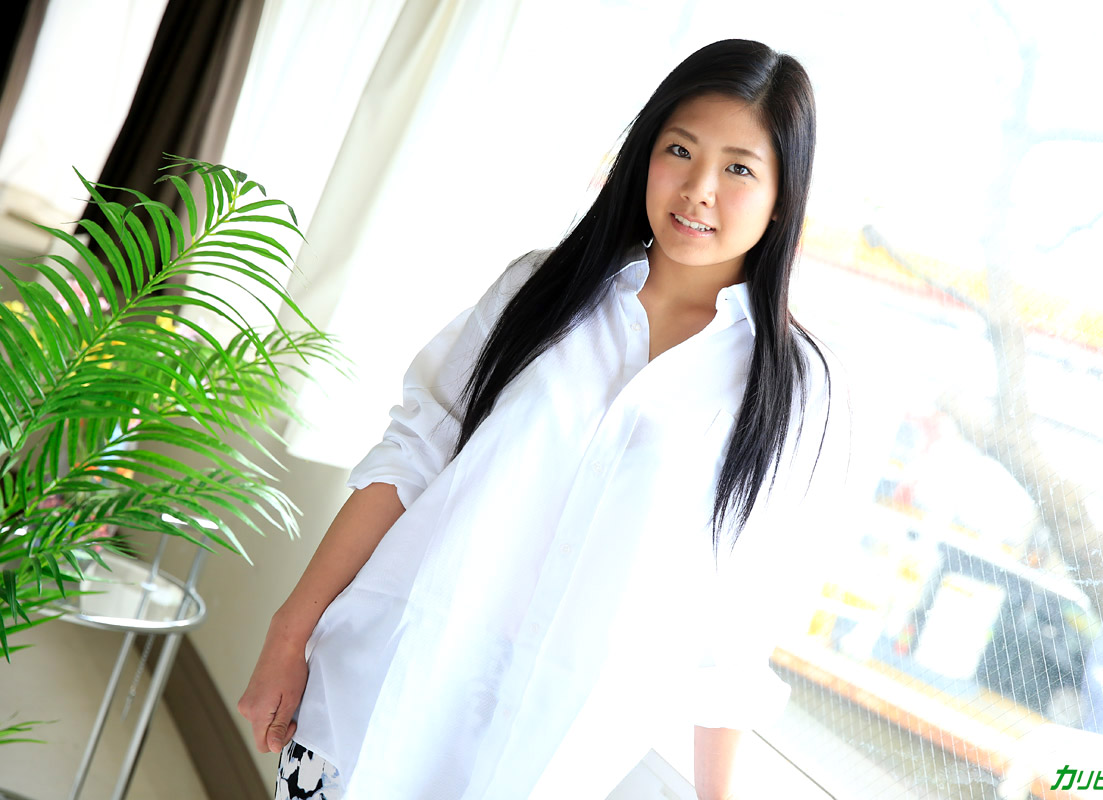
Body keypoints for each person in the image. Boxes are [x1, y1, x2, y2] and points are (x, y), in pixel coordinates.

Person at [238, 38, 847, 800]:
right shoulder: (540, 289)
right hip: (376, 698)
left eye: (739, 169)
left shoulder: (790, 391)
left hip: (536, 766)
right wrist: (290, 632)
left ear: (783, 196)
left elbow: (735, 623)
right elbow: (409, 459)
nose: (699, 190)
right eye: (680, 150)